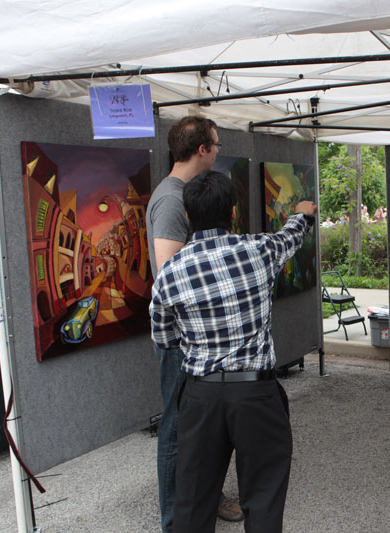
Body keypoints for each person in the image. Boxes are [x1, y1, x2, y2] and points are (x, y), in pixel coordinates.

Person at [150, 171, 317, 533]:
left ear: (189, 217)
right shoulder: (258, 250)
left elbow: (164, 339)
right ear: (233, 211)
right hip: (256, 393)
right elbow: (291, 236)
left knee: (193, 502)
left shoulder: (169, 273)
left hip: (200, 394)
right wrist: (302, 212)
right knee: (264, 498)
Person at [146, 116, 242, 532]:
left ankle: (207, 496)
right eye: (216, 144)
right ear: (201, 149)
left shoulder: (183, 193)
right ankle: (174, 519)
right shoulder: (171, 200)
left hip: (196, 337)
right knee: (175, 425)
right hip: (181, 339)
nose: (219, 150)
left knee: (200, 424)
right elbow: (170, 276)